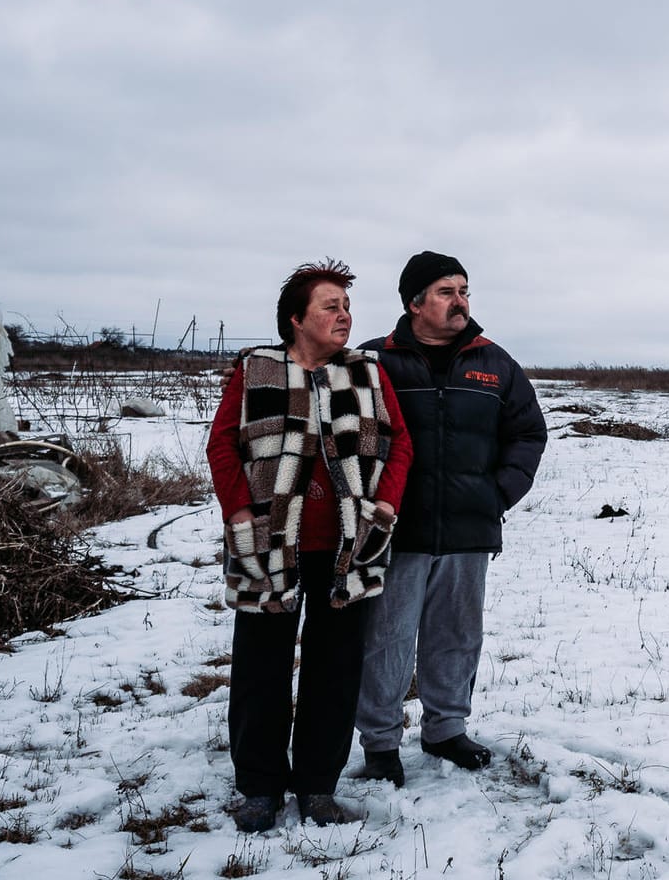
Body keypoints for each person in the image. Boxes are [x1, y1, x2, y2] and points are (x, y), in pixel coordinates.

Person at [206, 260, 412, 832]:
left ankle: (318, 785)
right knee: (260, 665)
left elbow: (400, 446)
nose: (343, 316)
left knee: (336, 667)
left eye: (346, 307)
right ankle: (260, 787)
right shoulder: (257, 371)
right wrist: (240, 510)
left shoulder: (366, 373)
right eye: (330, 306)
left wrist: (386, 506)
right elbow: (223, 446)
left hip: (350, 545)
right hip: (270, 542)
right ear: (296, 319)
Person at [352, 251, 547, 786]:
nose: (460, 302)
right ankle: (381, 742)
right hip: (396, 530)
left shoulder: (494, 363)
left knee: (456, 635)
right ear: (414, 303)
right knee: (386, 638)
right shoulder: (374, 362)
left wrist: (497, 494)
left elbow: (528, 433)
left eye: (464, 291)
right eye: (446, 292)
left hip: (467, 529)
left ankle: (445, 729)